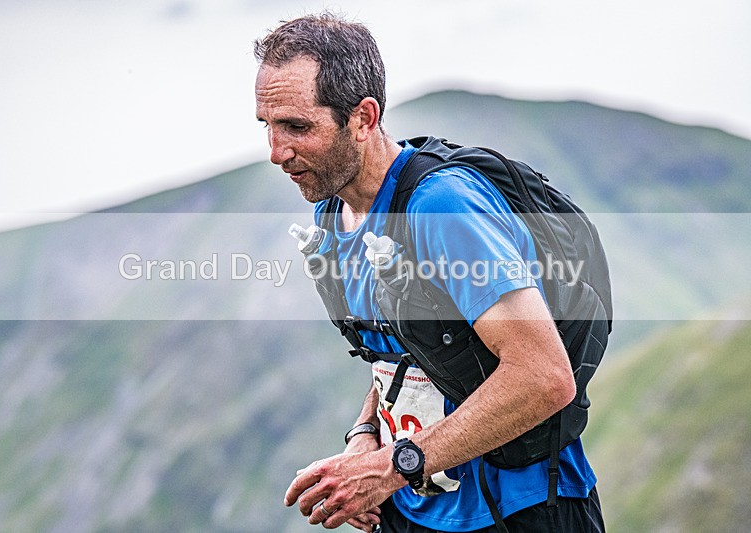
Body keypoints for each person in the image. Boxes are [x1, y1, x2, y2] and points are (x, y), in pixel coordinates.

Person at [254, 12, 605, 533]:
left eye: (297, 127)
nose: (276, 152)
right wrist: (364, 436)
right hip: (414, 513)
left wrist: (390, 467)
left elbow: (544, 376)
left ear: (364, 118)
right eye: (268, 126)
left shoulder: (441, 207)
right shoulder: (332, 215)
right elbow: (408, 348)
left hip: (519, 510)